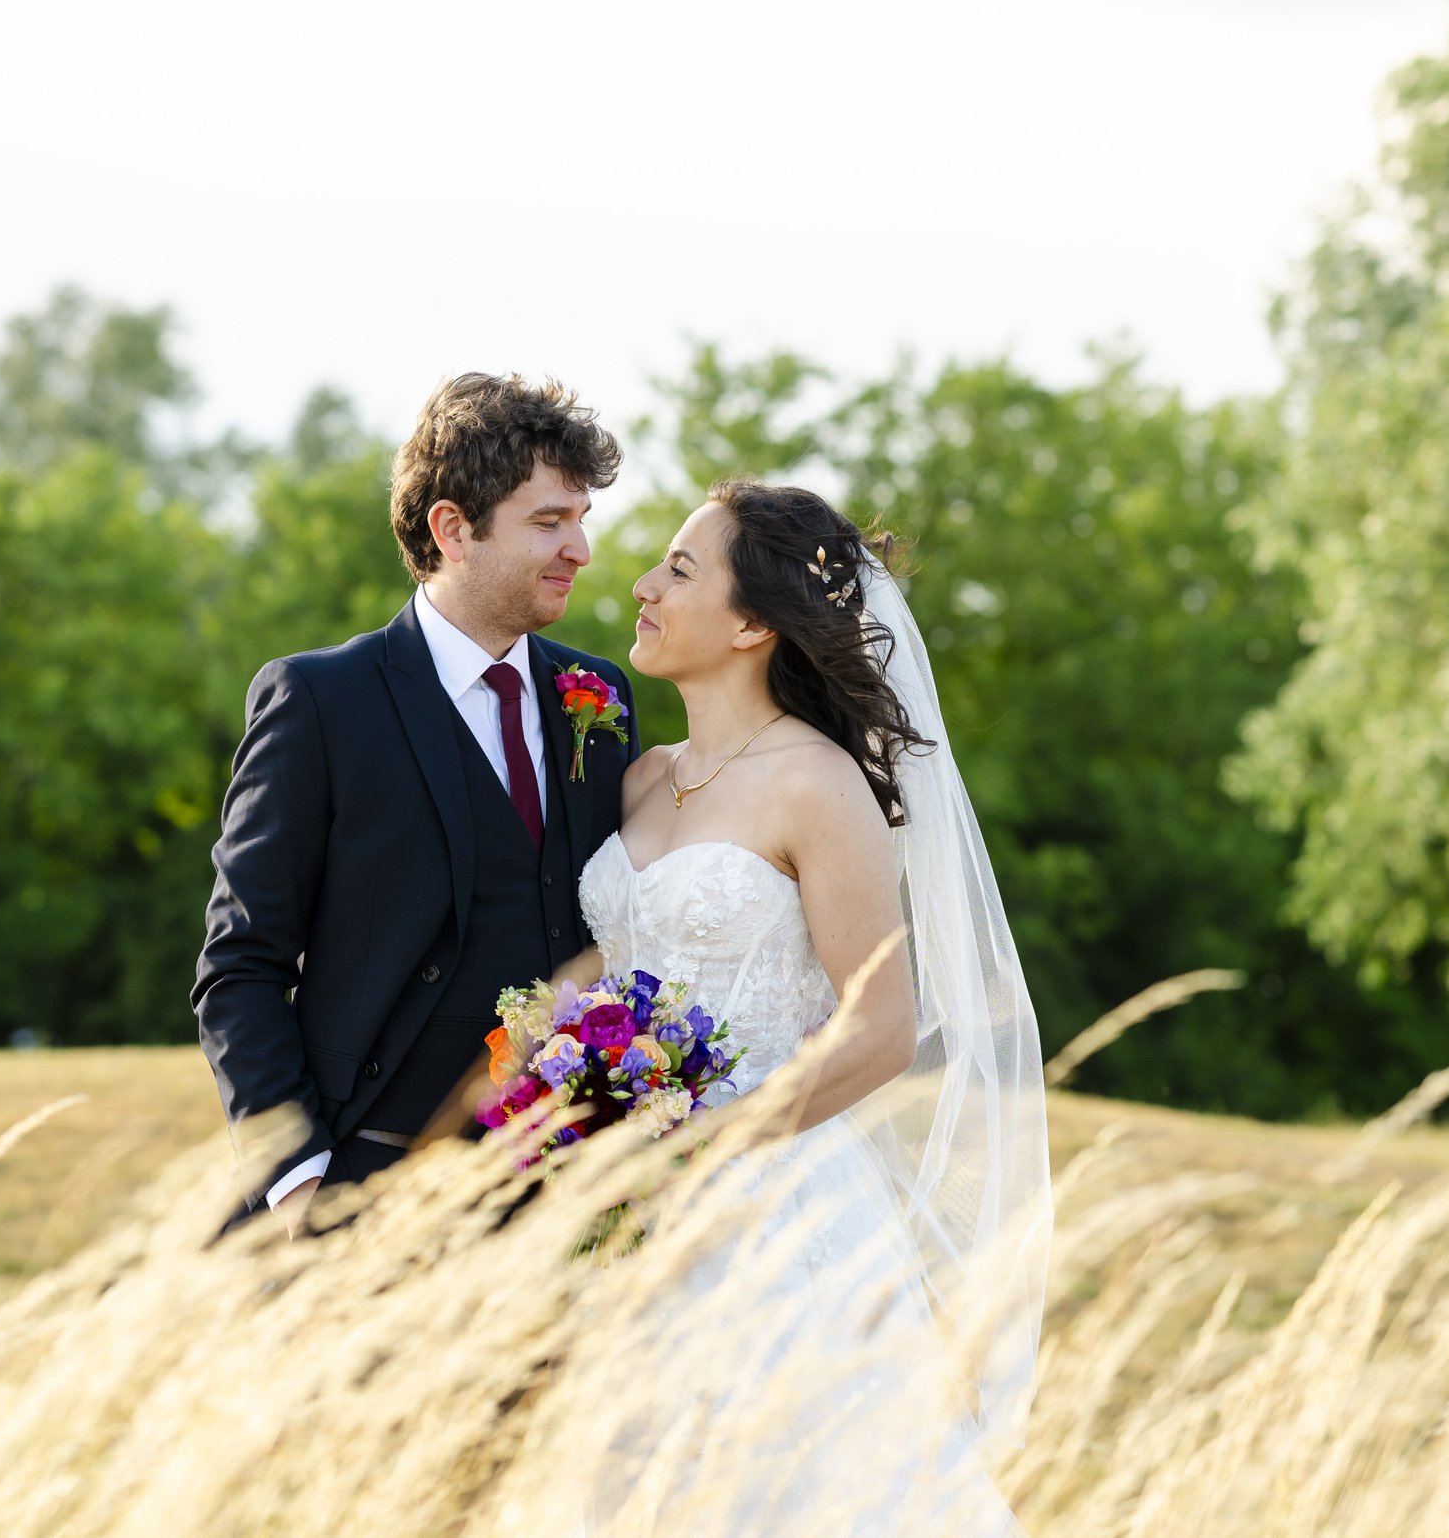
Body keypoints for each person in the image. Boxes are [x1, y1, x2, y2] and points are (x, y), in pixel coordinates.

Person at [569, 478, 1053, 1530]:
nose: (643, 584)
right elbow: (606, 961)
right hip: (621, 1205)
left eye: (679, 570)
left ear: (750, 622)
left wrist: (699, 1149)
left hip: (770, 1208)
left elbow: (878, 1031)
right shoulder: (640, 775)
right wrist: (545, 1076)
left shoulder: (817, 784)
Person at [193, 372, 636, 1232]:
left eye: (582, 519)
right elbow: (240, 965)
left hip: (564, 1198)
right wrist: (299, 1178)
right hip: (364, 1185)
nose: (580, 548)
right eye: (549, 521)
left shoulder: (600, 697)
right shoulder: (322, 700)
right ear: (451, 528)